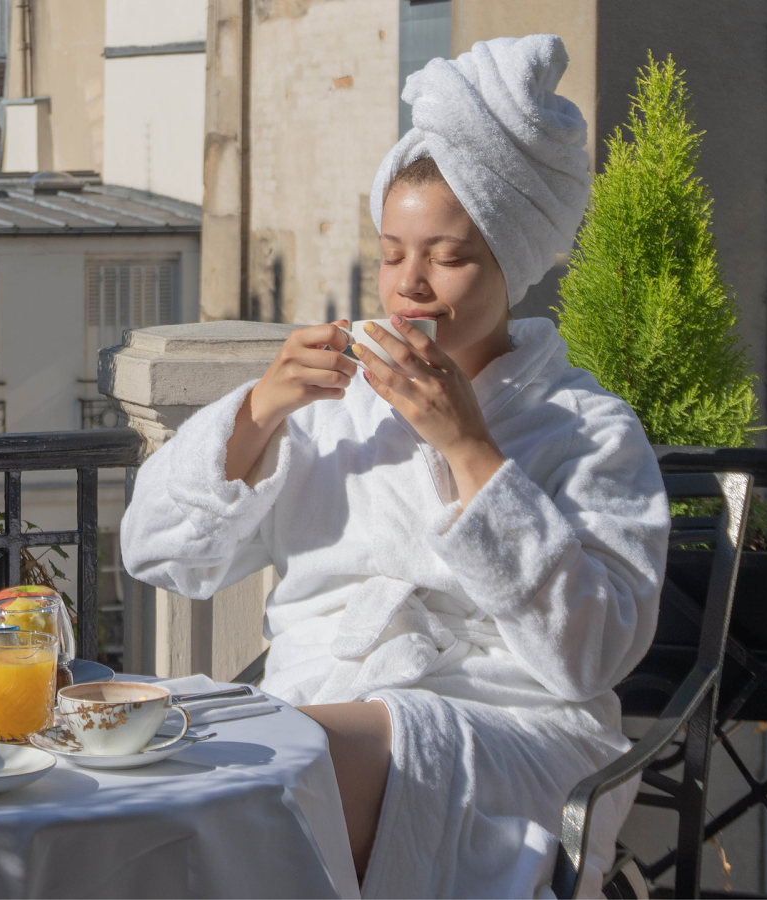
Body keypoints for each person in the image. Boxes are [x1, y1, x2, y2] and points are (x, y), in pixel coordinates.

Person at [121, 34, 669, 899]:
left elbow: (589, 656)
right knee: (160, 765)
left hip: (512, 732)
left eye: (448, 258)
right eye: (390, 253)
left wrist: (469, 449)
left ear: (513, 259)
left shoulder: (586, 429)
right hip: (315, 710)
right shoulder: (332, 407)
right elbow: (159, 554)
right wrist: (259, 412)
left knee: (254, 780)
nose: (410, 283)